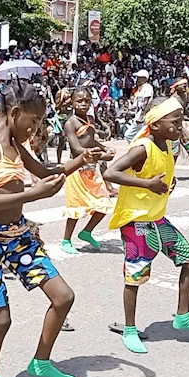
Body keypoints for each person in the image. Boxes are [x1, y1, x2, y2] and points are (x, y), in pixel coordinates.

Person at [0, 78, 102, 377]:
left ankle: (40, 362)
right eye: (33, 122)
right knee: (2, 319)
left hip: (20, 237)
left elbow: (47, 175)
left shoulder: (18, 147)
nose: (35, 129)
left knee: (63, 297)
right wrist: (34, 195)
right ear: (14, 113)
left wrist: (80, 161)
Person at [103, 97, 189, 354]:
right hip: (136, 221)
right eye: (175, 121)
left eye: (180, 119)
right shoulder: (143, 147)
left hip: (156, 218)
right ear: (155, 125)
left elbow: (158, 174)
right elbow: (110, 173)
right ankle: (130, 329)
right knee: (135, 275)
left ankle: (182, 316)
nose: (180, 124)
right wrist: (148, 185)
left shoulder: (167, 145)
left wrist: (166, 184)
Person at [60, 88, 115, 254]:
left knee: (103, 203)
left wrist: (105, 148)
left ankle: (86, 232)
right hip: (76, 170)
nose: (83, 104)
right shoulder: (71, 123)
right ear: (72, 102)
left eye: (86, 100)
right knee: (76, 208)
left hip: (91, 169)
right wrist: (101, 156)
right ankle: (66, 240)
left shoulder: (89, 119)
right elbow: (77, 148)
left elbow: (91, 140)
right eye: (79, 101)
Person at [123, 69, 154, 141]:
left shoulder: (147, 87)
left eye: (139, 78)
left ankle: (136, 149)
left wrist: (141, 116)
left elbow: (145, 103)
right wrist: (128, 109)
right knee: (141, 136)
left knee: (128, 135)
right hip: (138, 114)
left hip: (143, 115)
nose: (137, 79)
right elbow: (137, 104)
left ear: (145, 79)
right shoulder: (139, 89)